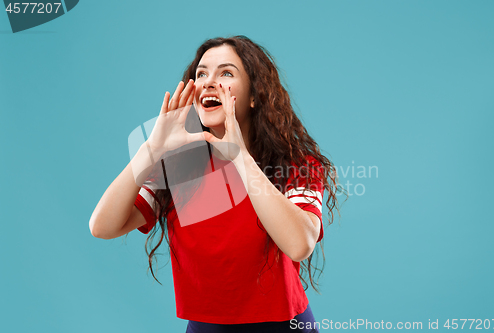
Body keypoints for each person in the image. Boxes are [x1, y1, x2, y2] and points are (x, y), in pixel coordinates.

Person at [90, 36, 340, 333]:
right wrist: (152, 149)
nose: (209, 82)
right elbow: (102, 226)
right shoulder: (177, 169)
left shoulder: (296, 165)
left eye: (226, 73)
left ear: (253, 95)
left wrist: (240, 158)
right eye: (201, 74)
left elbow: (300, 244)